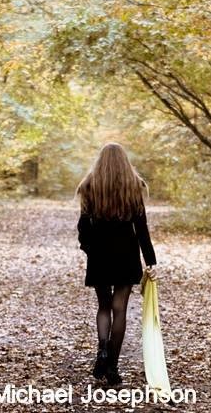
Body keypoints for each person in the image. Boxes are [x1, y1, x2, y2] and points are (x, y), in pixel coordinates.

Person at [76, 142, 157, 386]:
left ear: (100, 161)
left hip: (99, 255)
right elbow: (141, 229)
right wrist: (150, 261)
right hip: (126, 255)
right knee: (119, 308)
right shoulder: (134, 186)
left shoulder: (90, 185)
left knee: (104, 306)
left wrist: (89, 249)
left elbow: (83, 227)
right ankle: (112, 366)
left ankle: (102, 349)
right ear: (124, 161)